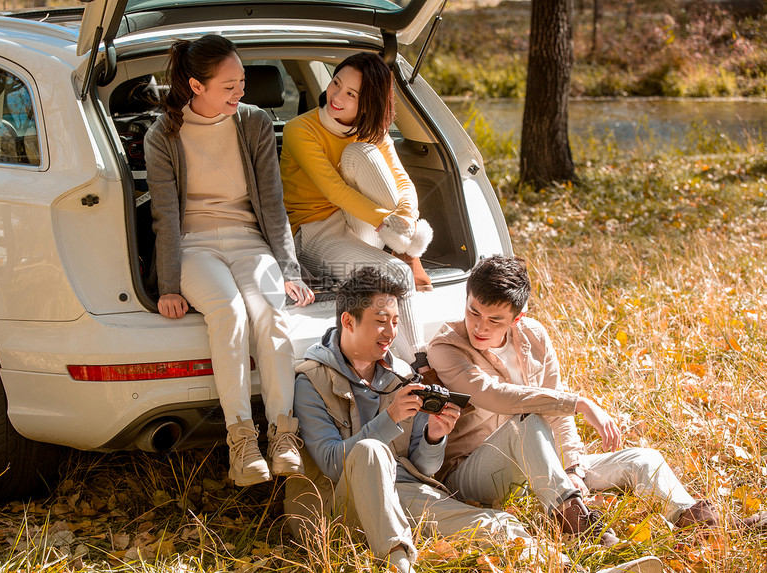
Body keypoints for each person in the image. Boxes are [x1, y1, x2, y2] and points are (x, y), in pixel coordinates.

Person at [284, 267, 663, 573]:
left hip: (406, 495)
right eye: (381, 321)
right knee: (369, 449)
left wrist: (434, 436)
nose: (391, 333)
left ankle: (573, 568)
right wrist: (389, 419)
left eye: (396, 321)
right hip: (344, 507)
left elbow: (423, 468)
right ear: (348, 321)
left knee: (499, 525)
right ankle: (399, 565)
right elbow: (333, 464)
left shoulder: (401, 377)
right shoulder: (312, 380)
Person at [427, 254, 767, 544]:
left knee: (642, 459)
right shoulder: (446, 347)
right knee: (526, 421)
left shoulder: (534, 337)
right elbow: (495, 396)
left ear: (517, 318)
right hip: (473, 473)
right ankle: (581, 530)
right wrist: (579, 402)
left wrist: (574, 467)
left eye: (494, 320)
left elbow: (557, 418)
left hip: (542, 468)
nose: (479, 326)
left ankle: (699, 524)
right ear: (467, 300)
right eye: (473, 312)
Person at [144, 35, 314, 487]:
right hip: (193, 245)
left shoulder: (254, 122)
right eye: (230, 85)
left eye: (242, 81)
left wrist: (289, 270)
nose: (241, 91)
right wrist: (168, 286)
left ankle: (282, 433)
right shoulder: (162, 134)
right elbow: (164, 215)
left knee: (272, 315)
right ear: (196, 86)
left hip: (250, 242)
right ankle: (241, 441)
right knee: (229, 312)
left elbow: (273, 204)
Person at [280, 52, 433, 365]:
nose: (336, 96)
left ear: (368, 103)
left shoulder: (371, 129)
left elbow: (402, 182)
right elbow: (334, 191)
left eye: (351, 94)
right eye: (336, 83)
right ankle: (419, 364)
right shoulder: (300, 129)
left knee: (360, 152)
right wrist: (388, 222)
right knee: (397, 273)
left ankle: (406, 249)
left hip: (362, 226)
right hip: (315, 232)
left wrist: (406, 219)